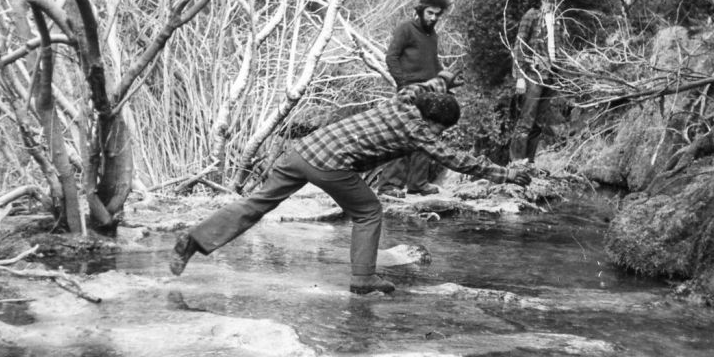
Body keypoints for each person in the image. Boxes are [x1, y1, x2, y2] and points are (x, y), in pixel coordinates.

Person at [169, 75, 531, 295]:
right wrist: (506, 175)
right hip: (330, 164)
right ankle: (363, 279)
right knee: (369, 211)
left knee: (256, 204)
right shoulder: (419, 130)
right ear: (433, 119)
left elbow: (423, 86)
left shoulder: (404, 100)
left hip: (301, 152)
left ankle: (194, 240)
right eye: (440, 127)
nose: (438, 134)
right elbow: (458, 160)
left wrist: (444, 81)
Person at [377, 0, 453, 197]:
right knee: (402, 137)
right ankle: (389, 186)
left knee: (426, 137)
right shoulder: (406, 29)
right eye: (430, 13)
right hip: (409, 91)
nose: (433, 18)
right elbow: (391, 57)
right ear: (420, 10)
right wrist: (403, 85)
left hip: (429, 93)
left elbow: (433, 63)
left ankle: (418, 184)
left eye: (437, 14)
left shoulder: (433, 35)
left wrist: (445, 80)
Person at [510, 0, 559, 163]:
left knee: (539, 122)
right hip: (533, 74)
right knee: (525, 121)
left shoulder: (557, 16)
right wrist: (520, 77)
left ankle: (529, 164)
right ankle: (516, 164)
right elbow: (519, 46)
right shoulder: (531, 15)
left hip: (551, 74)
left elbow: (558, 46)